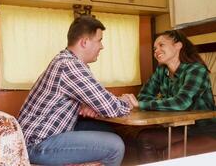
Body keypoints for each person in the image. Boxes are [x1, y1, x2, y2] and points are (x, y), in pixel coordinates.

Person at [17, 15, 135, 166]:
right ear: (85, 42)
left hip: (41, 136)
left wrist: (88, 105)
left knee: (106, 130)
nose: (102, 46)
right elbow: (110, 107)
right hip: (36, 144)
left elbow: (98, 99)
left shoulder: (67, 60)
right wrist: (126, 101)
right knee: (115, 146)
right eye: (99, 40)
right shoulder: (69, 65)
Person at [127, 30, 216, 163]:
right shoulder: (161, 71)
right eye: (154, 48)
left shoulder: (196, 70)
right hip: (179, 128)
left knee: (172, 152)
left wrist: (142, 105)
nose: (156, 50)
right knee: (144, 137)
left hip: (206, 131)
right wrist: (145, 102)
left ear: (178, 45)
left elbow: (181, 102)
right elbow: (143, 96)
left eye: (161, 45)